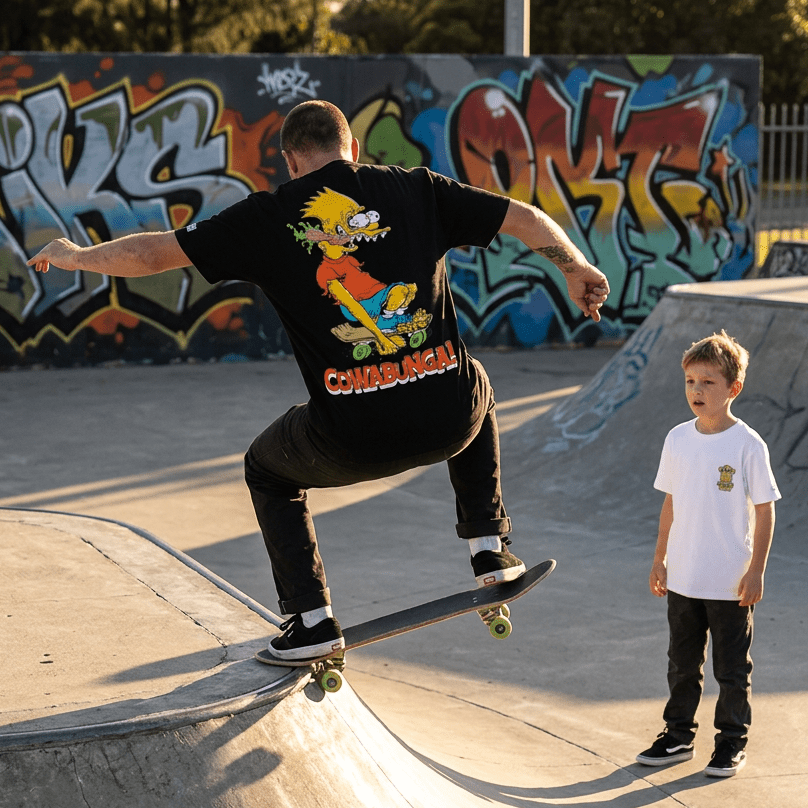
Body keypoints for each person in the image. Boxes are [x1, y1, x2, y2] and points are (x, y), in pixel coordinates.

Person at [28, 100, 609, 661]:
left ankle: (311, 620)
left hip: (351, 438)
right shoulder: (417, 188)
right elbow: (526, 220)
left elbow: (154, 255)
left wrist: (76, 255)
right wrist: (576, 267)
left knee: (266, 468)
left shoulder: (267, 216)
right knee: (470, 376)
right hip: (448, 420)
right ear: (351, 148)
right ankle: (490, 549)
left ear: (290, 160)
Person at [636, 330, 780, 777]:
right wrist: (659, 559)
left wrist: (756, 571)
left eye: (708, 383)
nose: (696, 391)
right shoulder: (678, 439)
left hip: (729, 580)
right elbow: (671, 503)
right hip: (683, 576)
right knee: (682, 664)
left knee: (732, 669)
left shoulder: (747, 445)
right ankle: (678, 736)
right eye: (690, 382)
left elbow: (765, 510)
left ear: (733, 388)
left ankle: (731, 742)